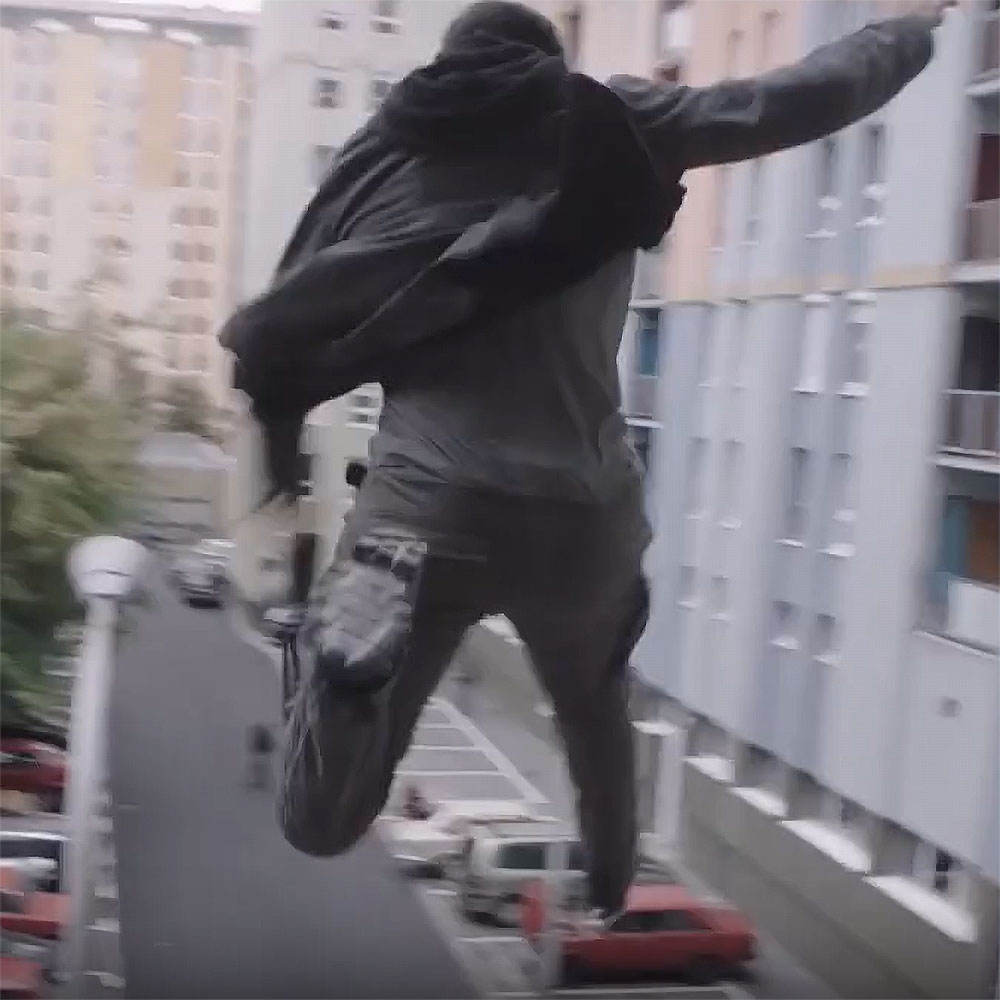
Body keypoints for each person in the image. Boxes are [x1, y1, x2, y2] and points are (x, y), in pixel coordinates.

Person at [221, 0, 953, 920]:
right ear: (548, 62)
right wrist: (910, 30)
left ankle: (342, 685)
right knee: (594, 710)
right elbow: (792, 99)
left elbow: (293, 322)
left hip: (425, 505)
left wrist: (286, 493)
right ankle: (610, 879)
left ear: (450, 64)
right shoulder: (614, 121)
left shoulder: (389, 157)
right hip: (584, 514)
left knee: (321, 819)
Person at [247, 724, 275, 790]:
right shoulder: (266, 735)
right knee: (262, 768)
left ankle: (258, 782)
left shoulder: (260, 735)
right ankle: (261, 782)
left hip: (259, 754)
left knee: (258, 768)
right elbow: (271, 745)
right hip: (263, 754)